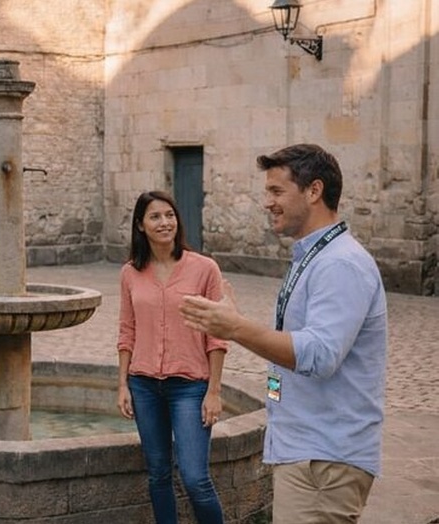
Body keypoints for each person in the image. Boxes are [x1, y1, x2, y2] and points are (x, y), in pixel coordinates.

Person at [180, 144, 388, 524]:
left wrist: (236, 327)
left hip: (324, 460)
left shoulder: (340, 263)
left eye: (276, 191)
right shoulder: (312, 257)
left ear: (314, 191)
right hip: (307, 453)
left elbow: (321, 355)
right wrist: (238, 323)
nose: (267, 202)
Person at [117, 190, 227, 524]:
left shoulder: (205, 269)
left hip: (190, 388)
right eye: (155, 216)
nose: (164, 222)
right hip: (144, 386)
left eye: (169, 215)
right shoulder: (130, 273)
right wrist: (122, 384)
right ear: (141, 225)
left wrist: (215, 390)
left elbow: (217, 334)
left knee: (196, 479)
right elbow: (127, 330)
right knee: (159, 475)